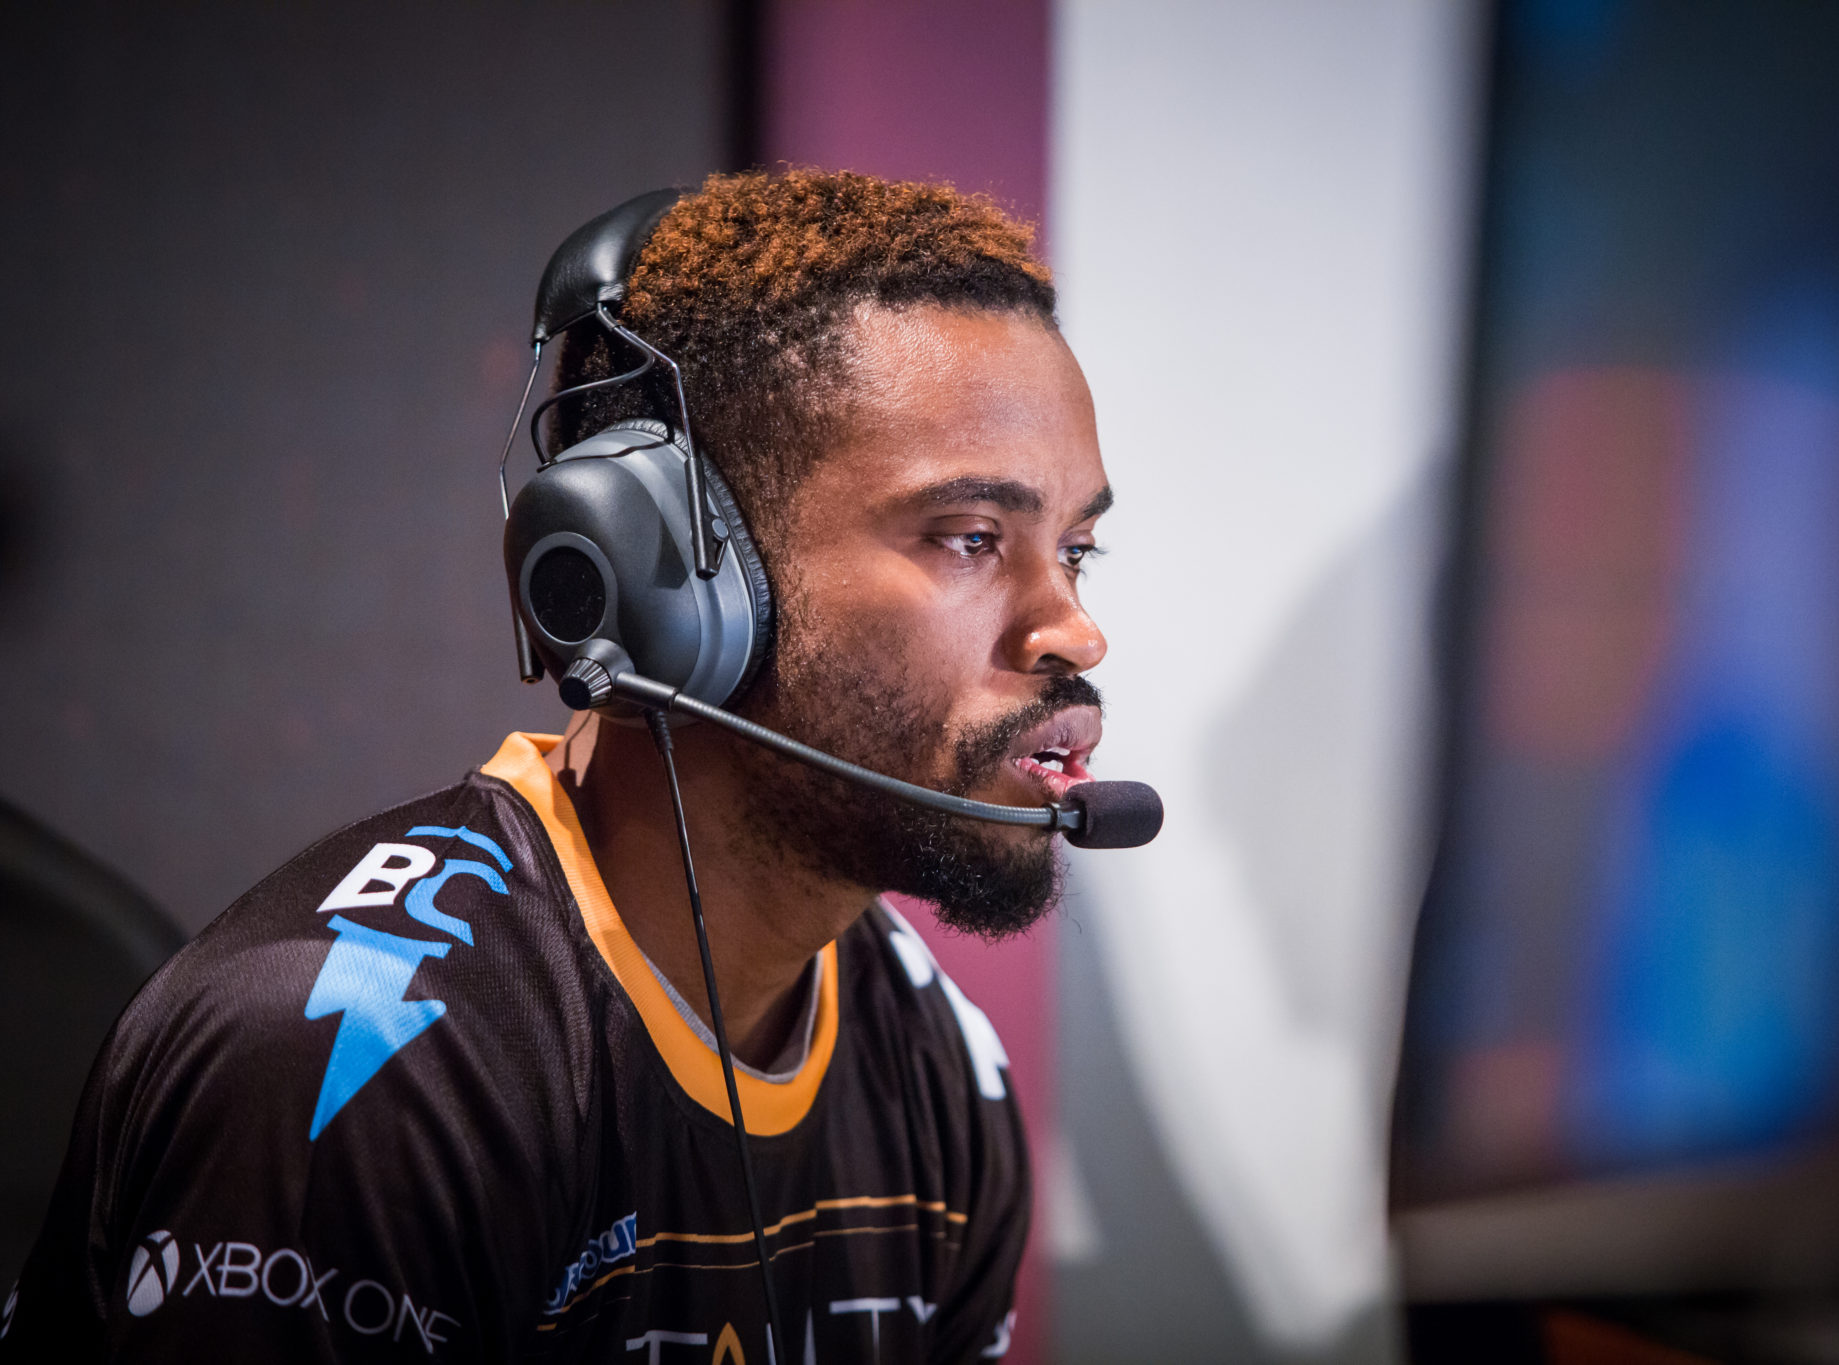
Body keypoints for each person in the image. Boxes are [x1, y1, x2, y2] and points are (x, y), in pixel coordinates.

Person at [1, 170, 1116, 1362]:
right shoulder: (354, 1070)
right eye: (970, 539)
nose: (1074, 632)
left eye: (1076, 549)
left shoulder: (938, 1066)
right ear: (667, 576)